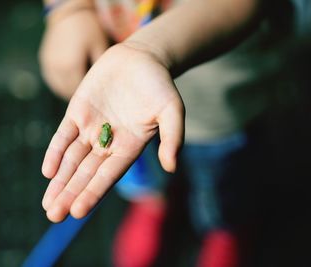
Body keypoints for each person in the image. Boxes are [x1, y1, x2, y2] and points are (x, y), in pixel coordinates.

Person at [39, 0, 274, 266]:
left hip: (218, 94)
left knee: (224, 175)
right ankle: (153, 198)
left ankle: (226, 224)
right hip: (122, 93)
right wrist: (69, 10)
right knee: (139, 158)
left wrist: (150, 49)